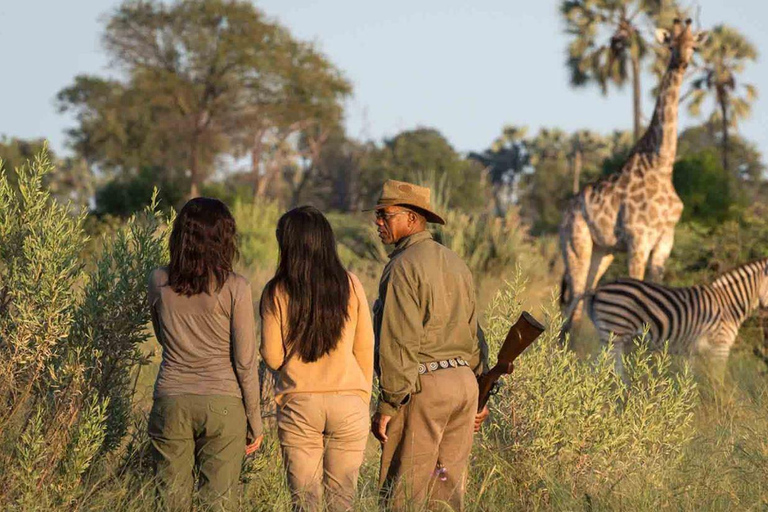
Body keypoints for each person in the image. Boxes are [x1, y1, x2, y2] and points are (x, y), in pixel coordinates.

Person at [369, 179, 489, 511]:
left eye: (385, 214)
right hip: (464, 386)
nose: (378, 223)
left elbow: (399, 342)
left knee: (403, 494)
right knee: (446, 495)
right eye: (377, 215)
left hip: (425, 388)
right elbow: (475, 333)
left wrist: (389, 404)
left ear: (412, 218)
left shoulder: (402, 266)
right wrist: (480, 391)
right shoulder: (456, 262)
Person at [147, 197, 263, 511]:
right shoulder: (236, 287)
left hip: (171, 397)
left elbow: (162, 336)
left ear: (180, 236)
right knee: (220, 503)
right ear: (224, 239)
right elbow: (245, 361)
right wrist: (256, 419)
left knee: (170, 501)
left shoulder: (158, 280)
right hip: (223, 403)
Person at [260, 206, 374, 512]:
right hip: (350, 402)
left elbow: (272, 357)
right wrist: (361, 394)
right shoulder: (350, 284)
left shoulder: (277, 291)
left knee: (305, 502)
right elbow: (365, 346)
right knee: (342, 502)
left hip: (300, 404)